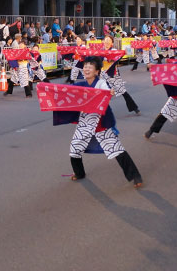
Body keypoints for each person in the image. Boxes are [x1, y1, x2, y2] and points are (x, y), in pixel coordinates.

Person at [60, 56, 143, 187]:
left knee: (116, 149)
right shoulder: (80, 84)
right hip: (85, 123)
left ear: (97, 71)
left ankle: (135, 176)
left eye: (90, 66)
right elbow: (67, 91)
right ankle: (79, 173)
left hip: (101, 124)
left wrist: (108, 92)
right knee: (75, 148)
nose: (86, 68)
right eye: (85, 66)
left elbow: (105, 90)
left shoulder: (101, 83)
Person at [100, 35, 140, 115]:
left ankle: (134, 107)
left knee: (123, 91)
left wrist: (117, 56)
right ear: (103, 42)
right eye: (106, 40)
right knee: (102, 92)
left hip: (113, 75)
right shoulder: (100, 51)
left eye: (109, 41)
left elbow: (120, 56)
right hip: (103, 74)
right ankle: (100, 110)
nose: (107, 42)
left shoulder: (114, 50)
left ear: (112, 43)